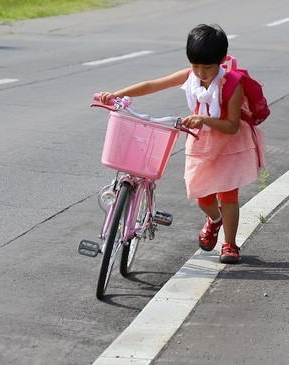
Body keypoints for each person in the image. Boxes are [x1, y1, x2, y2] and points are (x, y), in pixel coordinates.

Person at [97, 24, 265, 264]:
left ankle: (230, 244)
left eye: (207, 67)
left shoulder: (231, 85)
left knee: (228, 195)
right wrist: (117, 94)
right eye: (195, 65)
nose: (200, 72)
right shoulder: (191, 76)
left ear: (220, 61)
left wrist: (204, 119)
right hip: (200, 142)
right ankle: (214, 220)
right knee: (202, 196)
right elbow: (153, 84)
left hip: (228, 143)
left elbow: (232, 126)